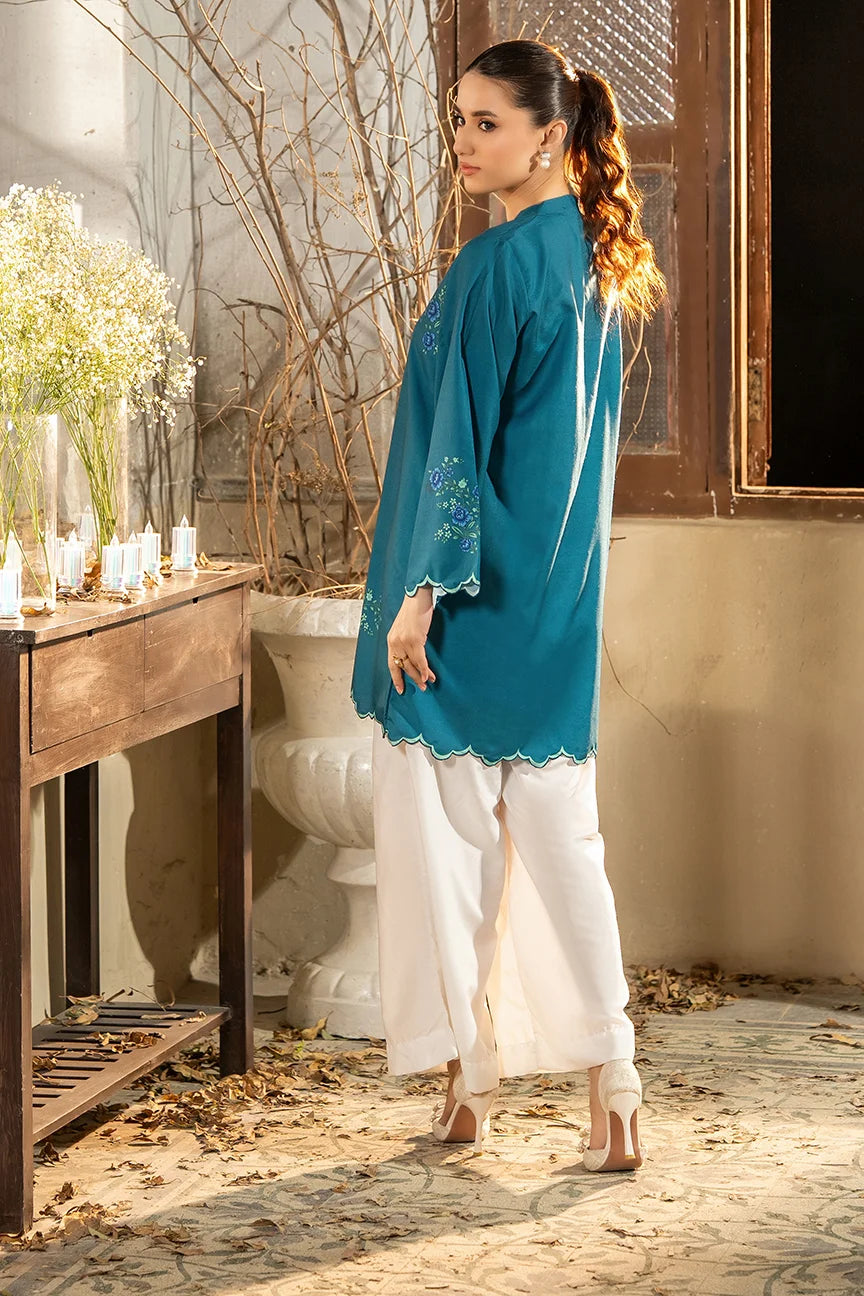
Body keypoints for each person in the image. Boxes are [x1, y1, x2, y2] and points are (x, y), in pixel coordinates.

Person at [350, 38, 666, 1170]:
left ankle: (468, 1081)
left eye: (487, 122)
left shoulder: (491, 267)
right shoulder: (596, 258)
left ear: (550, 135)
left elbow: (456, 447)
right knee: (563, 840)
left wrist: (420, 595)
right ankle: (613, 1087)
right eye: (458, 119)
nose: (464, 143)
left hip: (466, 606)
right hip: (555, 600)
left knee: (448, 856)